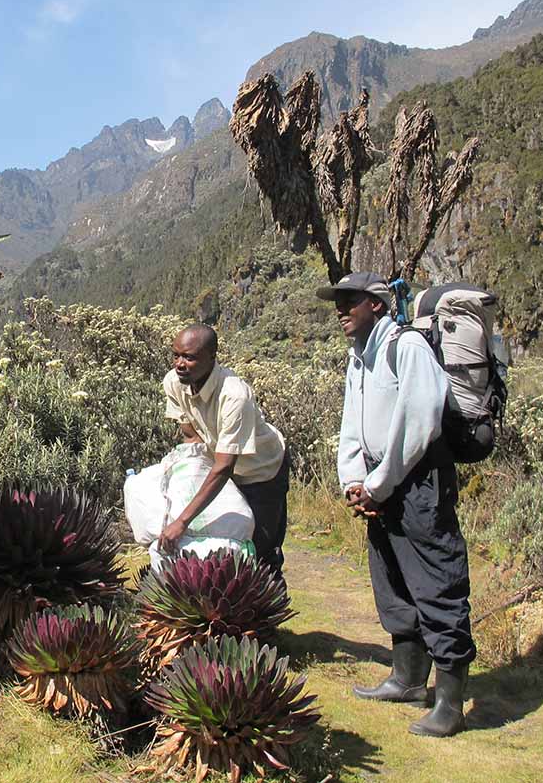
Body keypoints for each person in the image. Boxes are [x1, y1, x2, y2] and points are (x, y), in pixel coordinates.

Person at [316, 271, 474, 738]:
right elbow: (351, 425)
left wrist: (378, 484)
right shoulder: (358, 358)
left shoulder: (406, 348)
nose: (342, 311)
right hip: (381, 485)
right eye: (338, 302)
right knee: (392, 577)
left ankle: (450, 700)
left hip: (419, 484)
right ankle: (407, 678)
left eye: (351, 302)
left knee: (437, 580)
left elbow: (419, 423)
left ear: (378, 306)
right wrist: (354, 480)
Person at [159, 324, 289, 576]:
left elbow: (225, 466)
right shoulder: (174, 383)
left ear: (212, 356)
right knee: (224, 545)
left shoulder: (234, 395)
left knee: (261, 552)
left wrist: (182, 521)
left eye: (189, 357)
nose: (180, 364)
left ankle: (268, 605)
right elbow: (191, 434)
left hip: (262, 472)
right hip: (222, 468)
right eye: (176, 355)